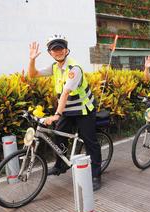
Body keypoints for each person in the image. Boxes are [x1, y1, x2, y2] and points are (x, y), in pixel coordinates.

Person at [28, 34, 102, 190]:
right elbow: (32, 74)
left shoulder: (73, 69)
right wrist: (32, 59)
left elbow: (65, 93)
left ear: (67, 50)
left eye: (60, 48)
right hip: (68, 110)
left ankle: (96, 175)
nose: (58, 51)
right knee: (58, 134)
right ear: (50, 53)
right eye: (54, 49)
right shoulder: (55, 67)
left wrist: (56, 115)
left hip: (83, 109)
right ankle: (61, 165)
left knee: (90, 142)